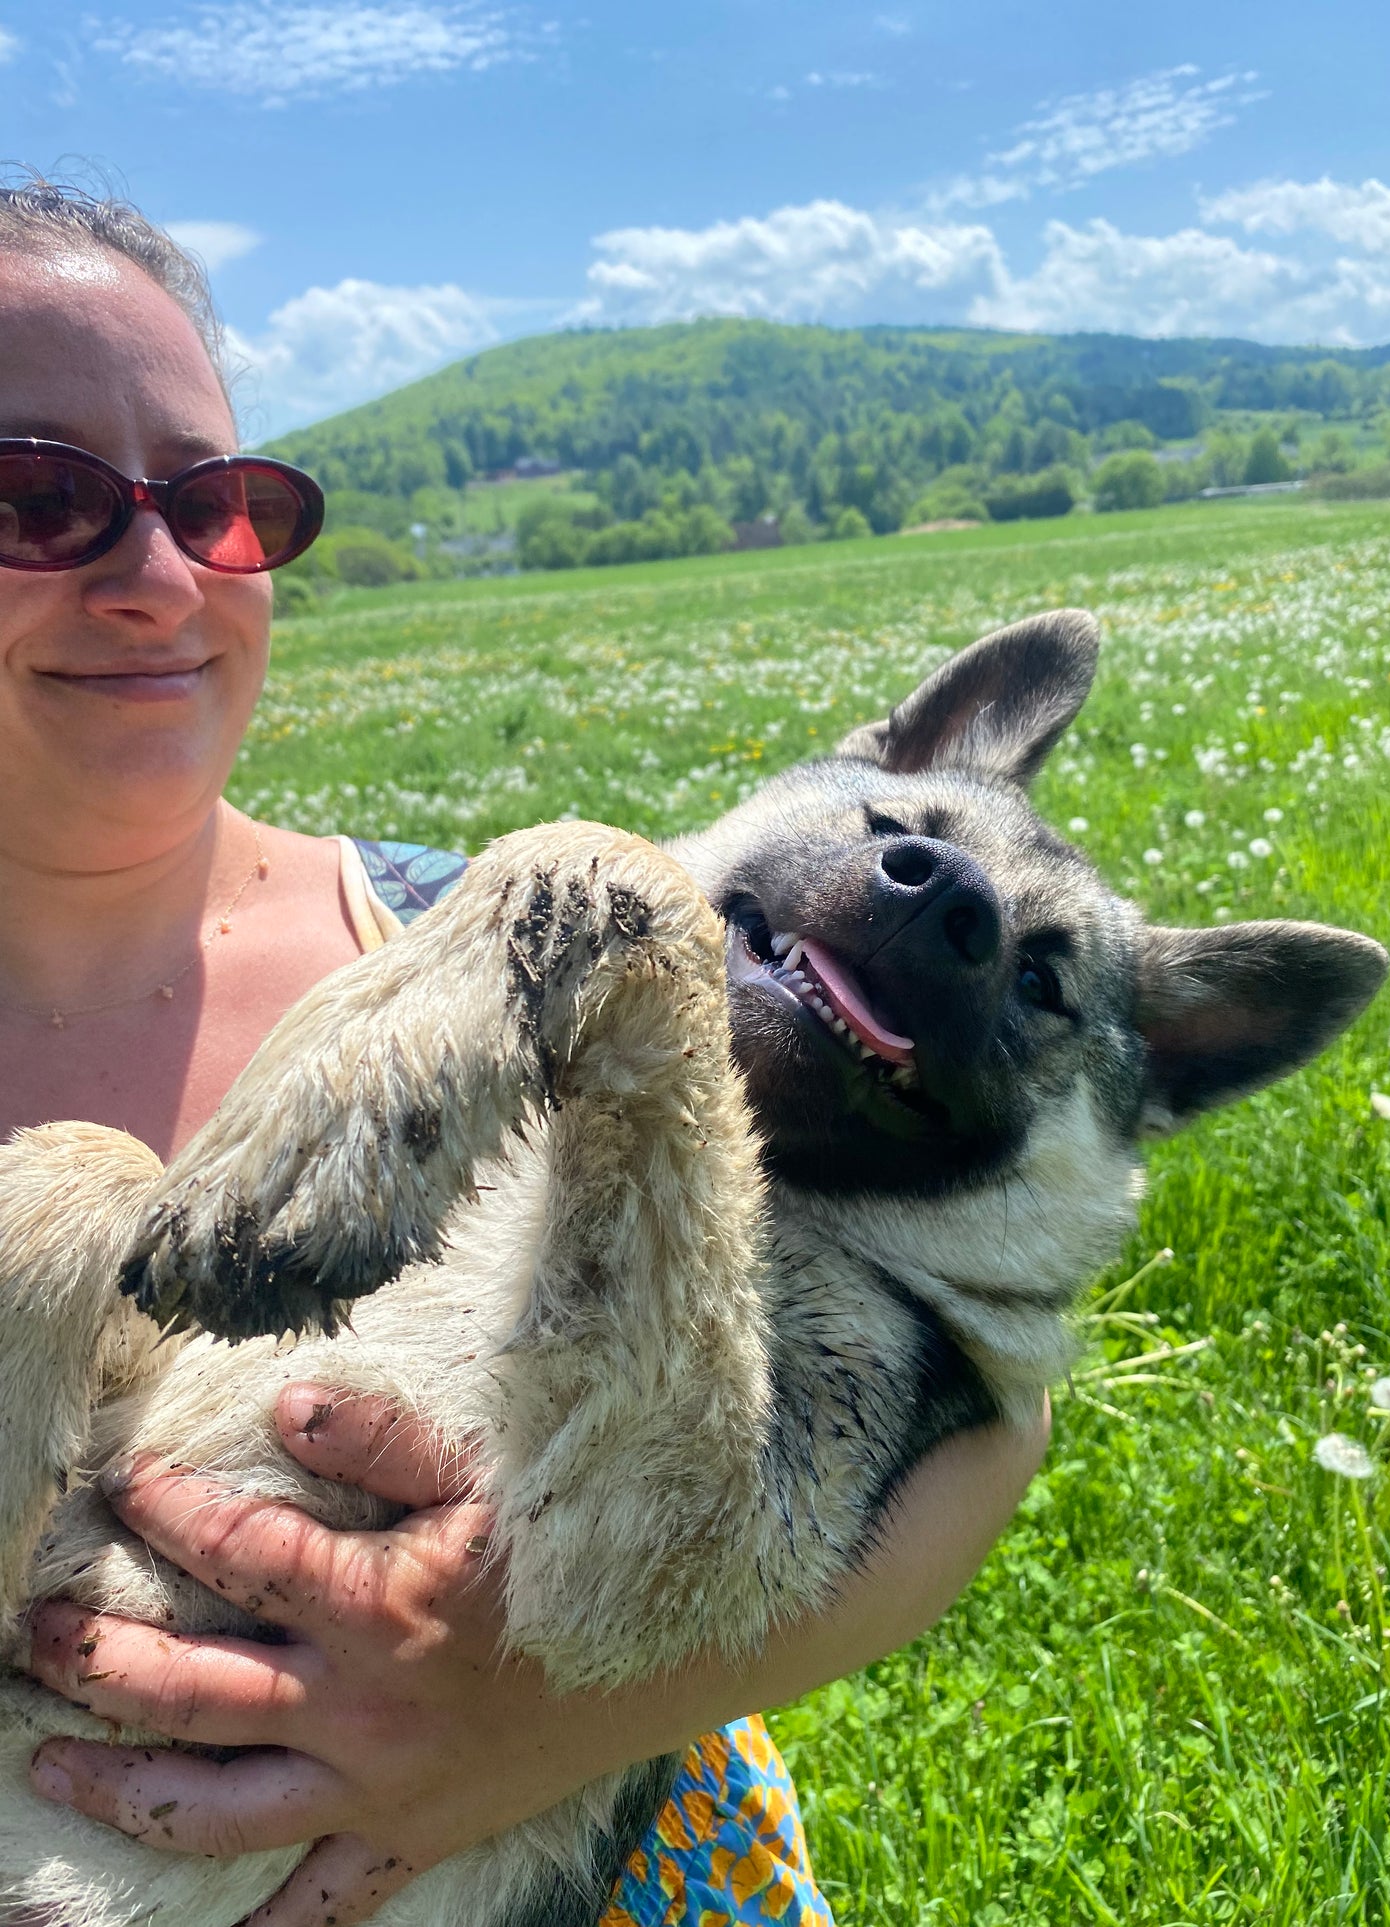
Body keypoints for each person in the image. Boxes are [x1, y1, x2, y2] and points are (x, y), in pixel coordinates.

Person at [0, 177, 1051, 1927]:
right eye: (38, 498)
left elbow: (976, 1423)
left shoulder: (472, 951)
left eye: (222, 504)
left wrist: (541, 1711)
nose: (163, 578)